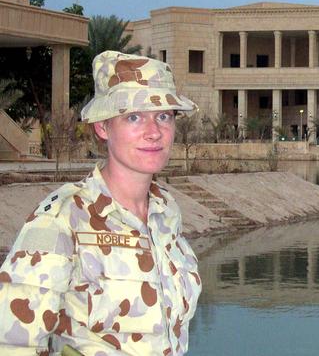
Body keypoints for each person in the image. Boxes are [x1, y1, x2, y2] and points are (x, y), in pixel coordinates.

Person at [0, 51, 202, 355]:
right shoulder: (63, 217)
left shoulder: (165, 213)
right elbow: (12, 342)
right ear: (102, 127)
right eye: (133, 117)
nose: (154, 132)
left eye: (163, 116)